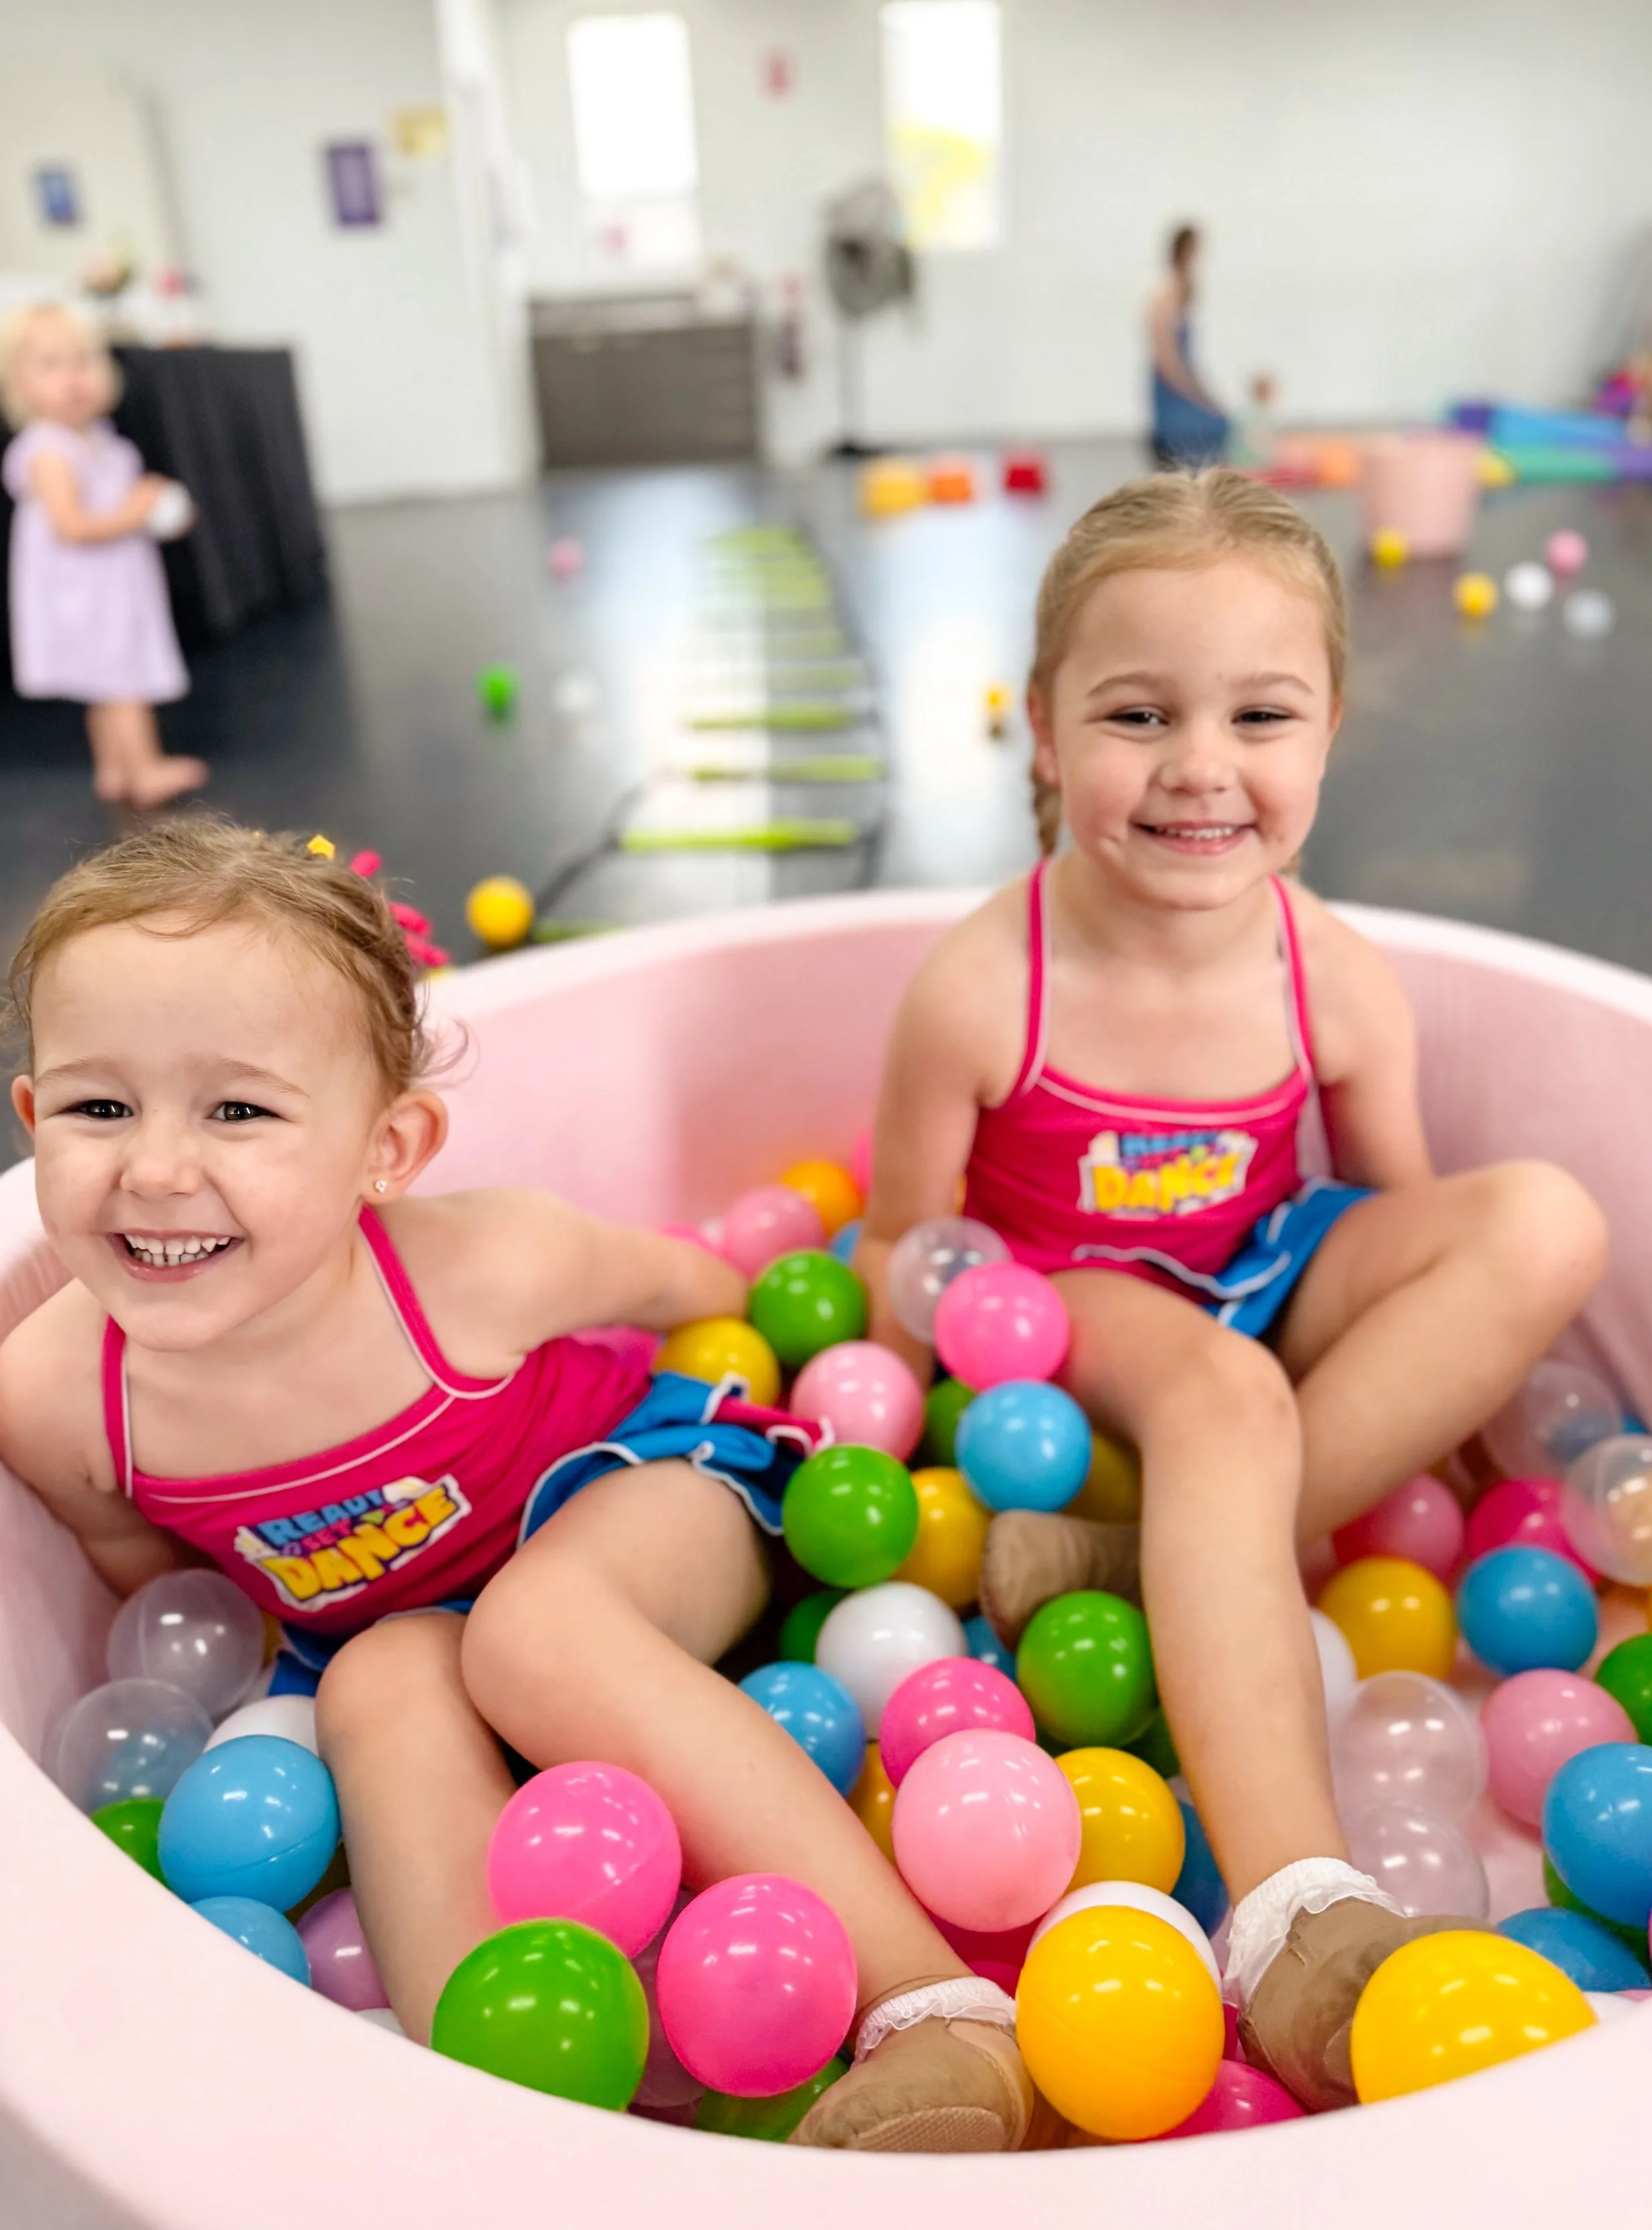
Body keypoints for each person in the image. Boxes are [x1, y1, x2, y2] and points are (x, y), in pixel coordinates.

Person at [0, 819, 1031, 2154]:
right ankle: (515, 2113)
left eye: (238, 1108)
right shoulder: (55, 1396)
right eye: (99, 1105)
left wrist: (819, 1354)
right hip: (398, 1626)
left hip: (643, 1491)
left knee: (537, 1631)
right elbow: (163, 1579)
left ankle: (929, 2006)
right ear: (33, 1119)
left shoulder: (479, 1268)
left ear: (390, 1145)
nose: (151, 1168)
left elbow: (696, 1294)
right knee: (376, 1682)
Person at [855, 470, 1606, 2114]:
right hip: (1077, 1312)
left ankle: (1146, 1559)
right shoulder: (985, 988)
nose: (1201, 766)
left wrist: (1468, 1432)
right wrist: (926, 1382)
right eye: (1138, 714)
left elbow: (1401, 1219)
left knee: (1544, 1222)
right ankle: (1293, 1912)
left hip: (1267, 1265)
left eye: (1259, 714)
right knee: (1219, 1392)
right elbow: (899, 1250)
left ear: (1327, 731)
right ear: (1045, 732)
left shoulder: (1326, 968)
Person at [1, 301, 207, 808]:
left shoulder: (104, 443)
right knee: (122, 681)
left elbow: (120, 506)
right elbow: (71, 526)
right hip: (84, 591)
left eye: (83, 362)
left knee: (106, 683)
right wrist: (136, 513)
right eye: (51, 366)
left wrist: (155, 510)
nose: (73, 378)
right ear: (20, 385)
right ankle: (145, 769)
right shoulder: (49, 450)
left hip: (113, 583)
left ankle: (114, 769)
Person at [1148, 225, 1230, 468]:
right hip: (1173, 390)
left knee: (1222, 422)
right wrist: (1195, 393)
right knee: (1214, 426)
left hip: (1184, 382)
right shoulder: (1166, 292)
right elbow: (1167, 357)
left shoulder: (1182, 290)